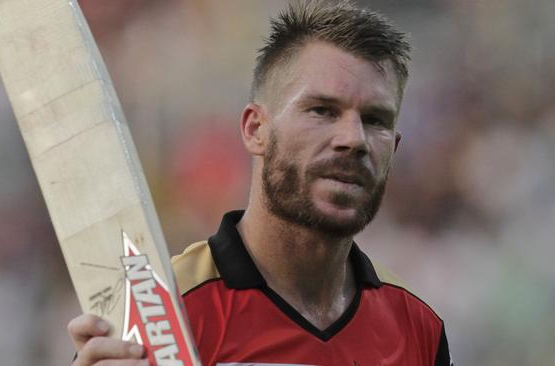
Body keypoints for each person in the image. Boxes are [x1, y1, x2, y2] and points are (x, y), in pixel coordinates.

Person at [69, 1, 453, 365]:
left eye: (375, 120)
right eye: (322, 110)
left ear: (396, 147)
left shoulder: (417, 326)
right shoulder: (164, 316)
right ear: (256, 130)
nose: (354, 139)